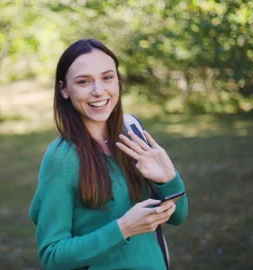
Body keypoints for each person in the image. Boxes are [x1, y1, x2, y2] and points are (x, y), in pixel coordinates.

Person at [29, 39, 188, 270]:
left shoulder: (134, 133)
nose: (98, 91)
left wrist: (168, 180)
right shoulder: (61, 159)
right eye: (84, 81)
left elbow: (179, 217)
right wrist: (123, 228)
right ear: (64, 89)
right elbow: (53, 256)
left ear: (119, 81)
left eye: (107, 78)